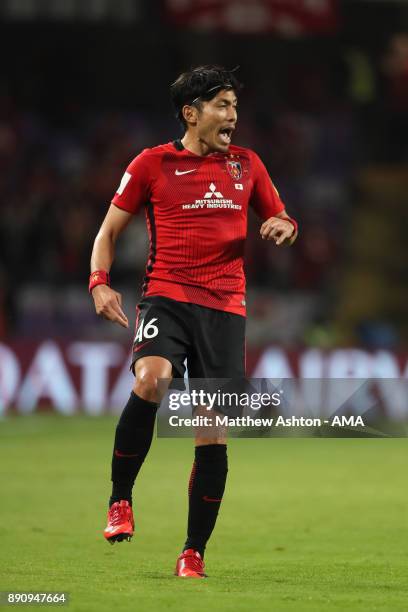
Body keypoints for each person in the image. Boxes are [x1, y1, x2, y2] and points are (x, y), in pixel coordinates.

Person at [89, 65, 298, 578]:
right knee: (153, 378)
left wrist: (281, 224)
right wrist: (99, 281)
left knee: (210, 429)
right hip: (167, 296)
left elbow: (283, 217)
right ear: (192, 113)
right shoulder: (152, 164)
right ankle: (120, 500)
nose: (232, 116)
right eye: (222, 106)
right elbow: (108, 231)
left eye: (234, 107)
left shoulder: (248, 165)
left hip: (225, 308)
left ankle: (193, 553)